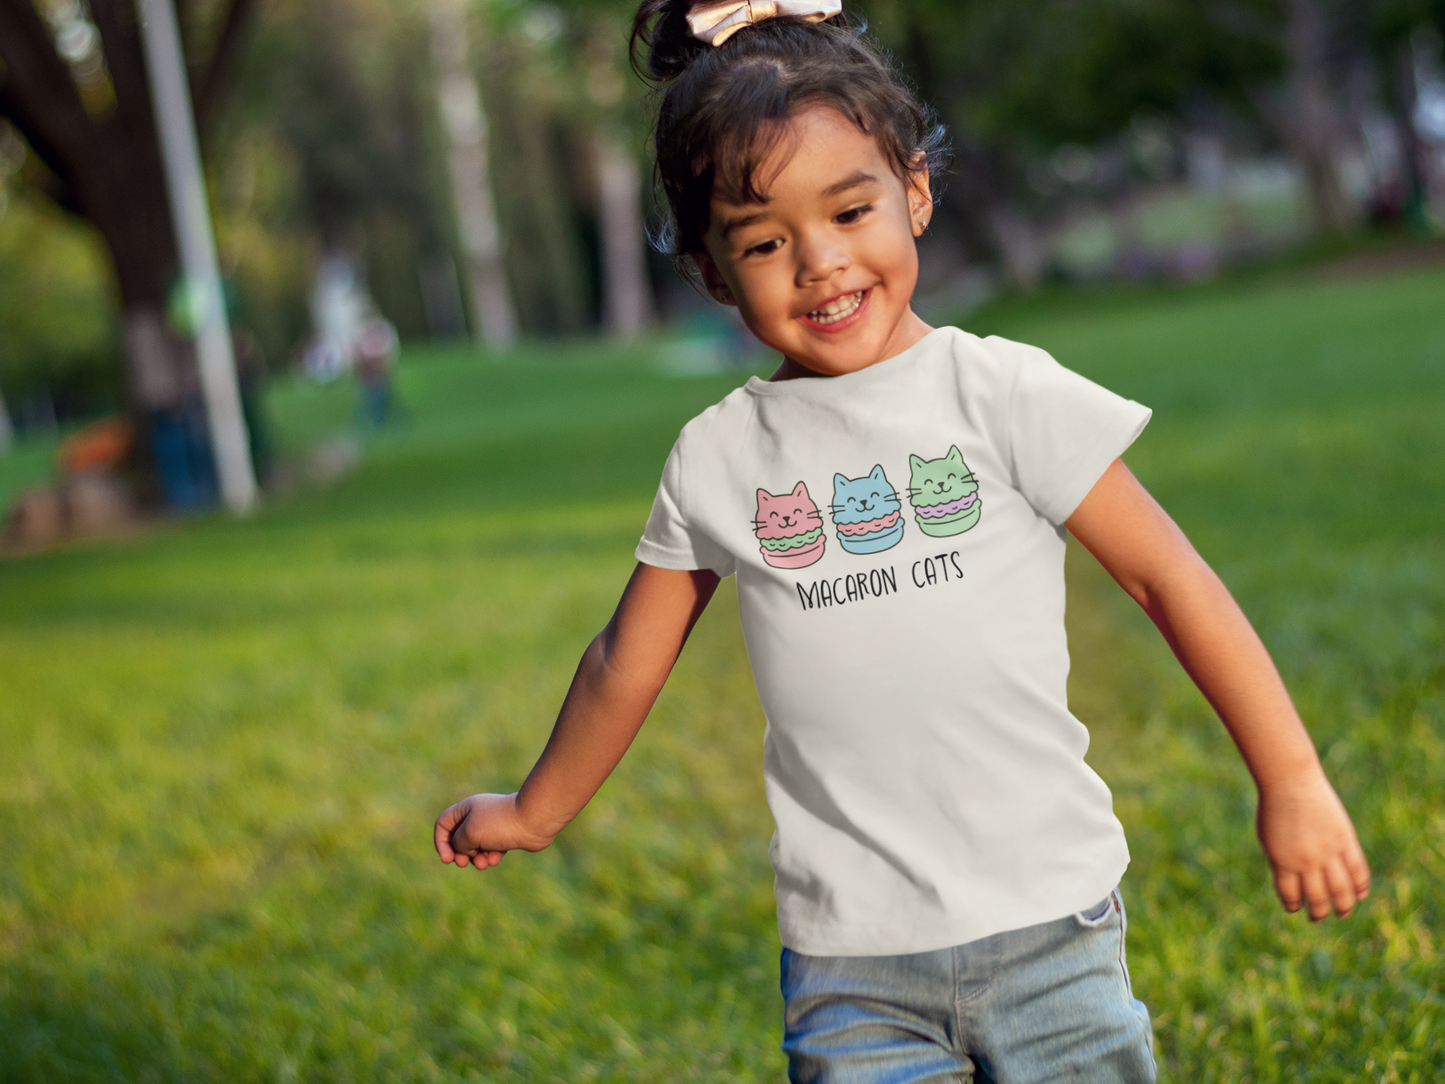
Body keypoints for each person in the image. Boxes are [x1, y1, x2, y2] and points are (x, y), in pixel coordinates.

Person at [432, 4, 1371, 1080]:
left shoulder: (996, 391)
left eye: (848, 209)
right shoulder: (719, 455)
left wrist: (1289, 776)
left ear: (913, 191)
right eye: (763, 241)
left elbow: (1167, 579)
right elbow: (622, 660)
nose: (818, 264)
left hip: (1049, 924)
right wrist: (534, 809)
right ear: (709, 272)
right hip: (850, 966)